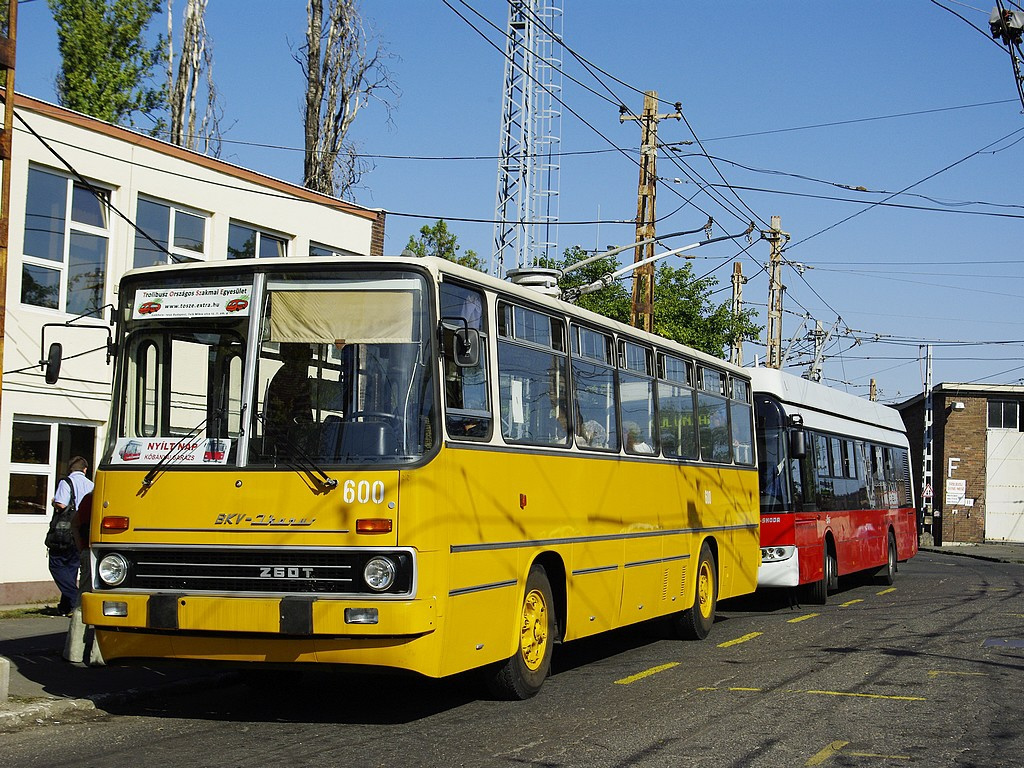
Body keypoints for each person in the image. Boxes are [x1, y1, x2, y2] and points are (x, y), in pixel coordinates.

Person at [48, 456, 94, 617]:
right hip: (81, 532)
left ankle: (75, 600)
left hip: (65, 531)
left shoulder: (66, 482)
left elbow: (61, 504)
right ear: (85, 469)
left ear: (70, 469)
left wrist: (54, 502)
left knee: (56, 565)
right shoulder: (91, 485)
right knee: (72, 567)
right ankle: (65, 606)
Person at [264, 343, 314, 456]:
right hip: (287, 442)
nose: (308, 361)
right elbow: (302, 419)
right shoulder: (293, 378)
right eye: (307, 356)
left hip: (281, 438)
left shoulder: (283, 375)